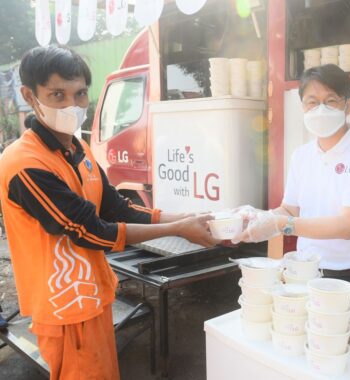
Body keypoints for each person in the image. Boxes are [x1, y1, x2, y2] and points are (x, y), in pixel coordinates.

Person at [0, 46, 219, 380]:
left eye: (80, 94)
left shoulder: (78, 148)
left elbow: (115, 207)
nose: (72, 106)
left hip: (94, 296)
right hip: (65, 310)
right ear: (30, 96)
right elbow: (92, 231)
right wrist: (178, 230)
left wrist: (182, 217)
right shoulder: (24, 165)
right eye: (57, 95)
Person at [233, 64, 350, 293]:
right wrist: (258, 218)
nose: (321, 110)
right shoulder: (301, 155)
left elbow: (347, 226)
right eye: (312, 102)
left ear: (347, 104)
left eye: (331, 100)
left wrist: (279, 225)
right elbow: (290, 210)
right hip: (306, 274)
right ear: (303, 106)